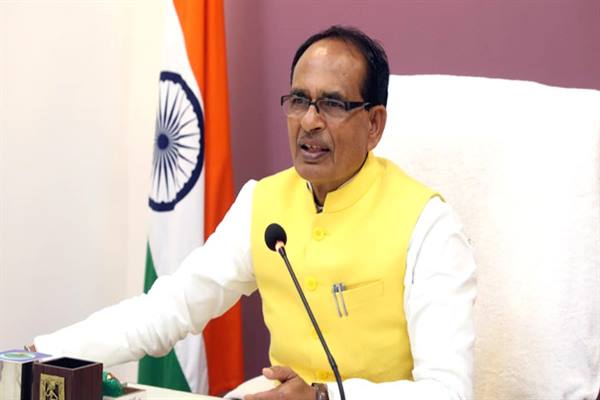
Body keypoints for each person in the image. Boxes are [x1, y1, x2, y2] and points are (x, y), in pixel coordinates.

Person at [33, 26, 476, 399]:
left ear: (374, 124)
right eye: (299, 100)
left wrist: (323, 396)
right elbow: (169, 308)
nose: (309, 121)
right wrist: (44, 354)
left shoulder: (428, 225)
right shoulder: (262, 202)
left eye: (332, 104)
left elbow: (448, 391)